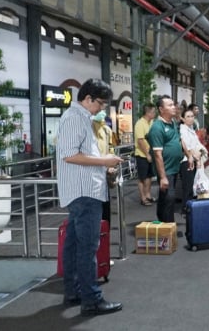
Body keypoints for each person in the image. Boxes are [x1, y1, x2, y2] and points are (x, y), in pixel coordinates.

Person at [56, 78, 123, 316]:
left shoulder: (80, 118)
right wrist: (104, 161)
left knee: (74, 244)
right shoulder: (75, 118)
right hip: (84, 192)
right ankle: (91, 299)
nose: (102, 108)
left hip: (82, 190)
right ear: (88, 99)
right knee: (87, 247)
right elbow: (69, 155)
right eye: (101, 103)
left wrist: (103, 164)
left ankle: (74, 291)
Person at [147, 95, 183, 223]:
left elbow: (177, 141)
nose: (174, 107)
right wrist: (162, 177)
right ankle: (167, 229)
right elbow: (157, 155)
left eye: (173, 104)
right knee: (169, 198)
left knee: (166, 199)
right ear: (161, 109)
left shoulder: (173, 123)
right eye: (170, 105)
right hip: (166, 169)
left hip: (174, 167)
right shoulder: (157, 128)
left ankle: (164, 228)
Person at [179, 108, 206, 211]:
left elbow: (198, 145)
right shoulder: (183, 129)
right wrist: (193, 156)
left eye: (192, 116)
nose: (191, 118)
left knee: (192, 186)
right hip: (186, 161)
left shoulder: (191, 129)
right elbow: (186, 146)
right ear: (183, 118)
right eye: (188, 117)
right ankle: (186, 208)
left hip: (194, 159)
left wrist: (199, 154)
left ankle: (190, 207)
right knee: (187, 187)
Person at [92, 110, 115, 223]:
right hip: (90, 176)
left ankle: (105, 236)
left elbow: (110, 148)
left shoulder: (107, 130)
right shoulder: (86, 128)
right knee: (92, 212)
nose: (102, 110)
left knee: (105, 211)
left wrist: (111, 162)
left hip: (103, 175)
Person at [134, 103, 157, 206]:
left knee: (149, 176)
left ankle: (148, 195)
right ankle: (143, 198)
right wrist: (147, 154)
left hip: (151, 153)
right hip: (142, 155)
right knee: (142, 177)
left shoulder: (152, 122)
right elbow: (140, 141)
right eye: (153, 112)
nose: (154, 113)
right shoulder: (140, 123)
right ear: (148, 112)